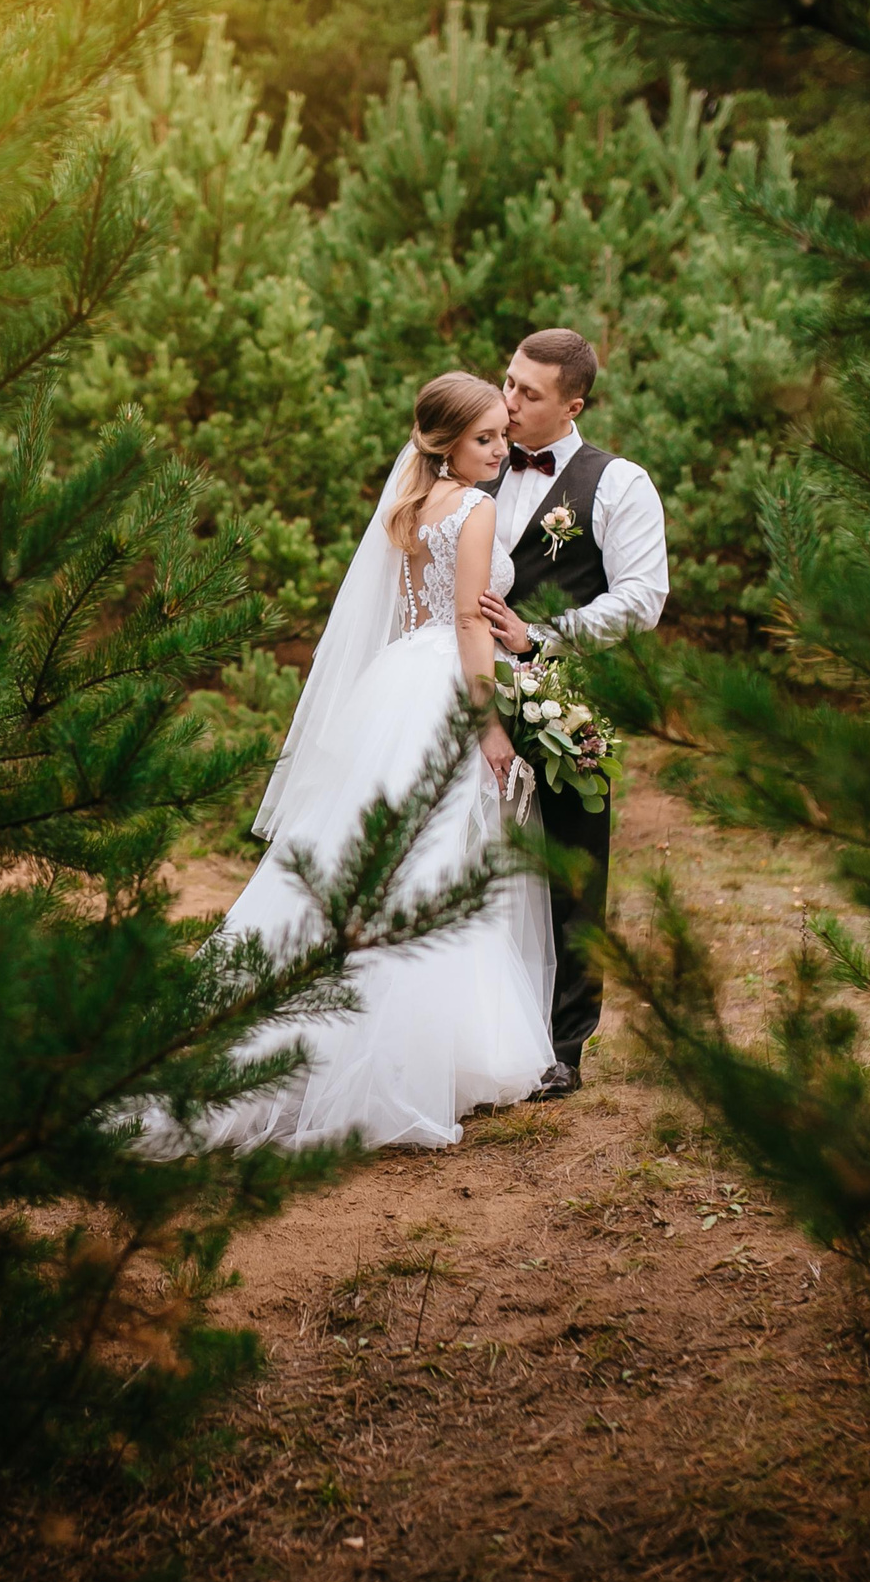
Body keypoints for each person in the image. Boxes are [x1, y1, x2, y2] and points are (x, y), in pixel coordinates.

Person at [179, 372, 558, 1152]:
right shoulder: (478, 508)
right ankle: (418, 1061)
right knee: (435, 867)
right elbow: (464, 622)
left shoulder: (411, 507)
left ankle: (324, 1037)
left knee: (367, 859)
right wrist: (489, 726)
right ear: (444, 440)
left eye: (501, 435)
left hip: (395, 686)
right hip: (448, 687)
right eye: (484, 437)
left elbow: (419, 609)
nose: (500, 448)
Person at [475, 328, 670, 1098]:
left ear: (573, 405)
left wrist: (543, 637)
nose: (510, 401)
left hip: (563, 697)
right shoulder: (475, 456)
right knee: (473, 859)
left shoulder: (619, 484)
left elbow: (643, 599)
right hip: (466, 691)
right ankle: (478, 1034)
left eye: (529, 393)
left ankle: (564, 1047)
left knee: (570, 868)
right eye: (508, 382)